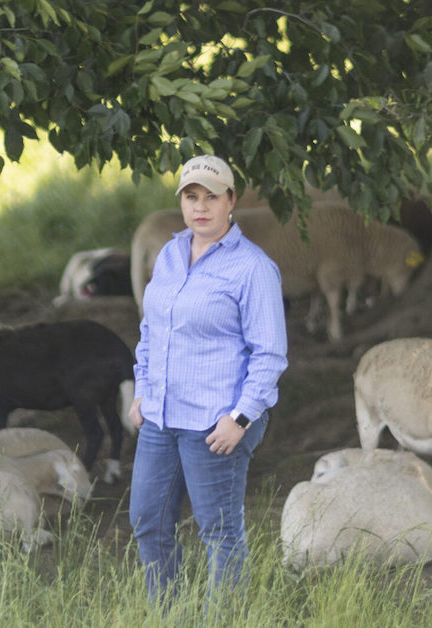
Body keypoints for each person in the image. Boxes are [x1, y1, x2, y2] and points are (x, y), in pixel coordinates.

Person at [127, 154, 288, 606]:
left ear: (231, 201)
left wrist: (239, 418)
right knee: (148, 520)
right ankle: (170, 612)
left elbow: (271, 354)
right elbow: (151, 330)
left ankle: (224, 619)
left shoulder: (252, 268)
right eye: (191, 197)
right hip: (161, 415)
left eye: (211, 197)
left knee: (219, 530)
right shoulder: (170, 255)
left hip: (215, 424)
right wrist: (142, 389)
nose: (200, 207)